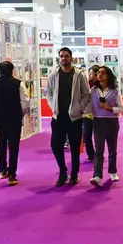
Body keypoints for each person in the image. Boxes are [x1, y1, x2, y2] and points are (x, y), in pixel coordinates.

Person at [46, 47, 91, 186]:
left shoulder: (79, 74)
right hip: (58, 117)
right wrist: (53, 106)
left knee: (75, 146)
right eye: (61, 56)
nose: (63, 58)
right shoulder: (53, 74)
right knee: (55, 145)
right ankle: (63, 171)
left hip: (74, 117)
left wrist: (80, 107)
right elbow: (48, 93)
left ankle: (75, 174)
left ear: (71, 58)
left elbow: (87, 93)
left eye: (66, 56)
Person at [0, 61, 30, 186]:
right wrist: (21, 114)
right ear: (12, 70)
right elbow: (25, 102)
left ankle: (3, 170)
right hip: (14, 119)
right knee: (14, 147)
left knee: (1, 145)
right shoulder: (19, 84)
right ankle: (12, 176)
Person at [88, 66, 123, 187]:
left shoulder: (114, 91)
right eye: (98, 73)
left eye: (103, 73)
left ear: (108, 75)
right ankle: (97, 175)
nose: (100, 75)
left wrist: (109, 108)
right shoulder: (93, 90)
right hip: (98, 121)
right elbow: (88, 106)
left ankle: (113, 171)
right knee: (98, 150)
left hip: (112, 122)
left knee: (112, 149)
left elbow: (122, 108)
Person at [82, 65, 100, 162]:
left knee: (98, 136)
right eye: (89, 73)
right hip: (87, 113)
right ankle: (91, 154)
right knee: (86, 134)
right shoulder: (86, 84)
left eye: (91, 73)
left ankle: (99, 153)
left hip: (99, 114)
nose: (90, 75)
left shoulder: (101, 85)